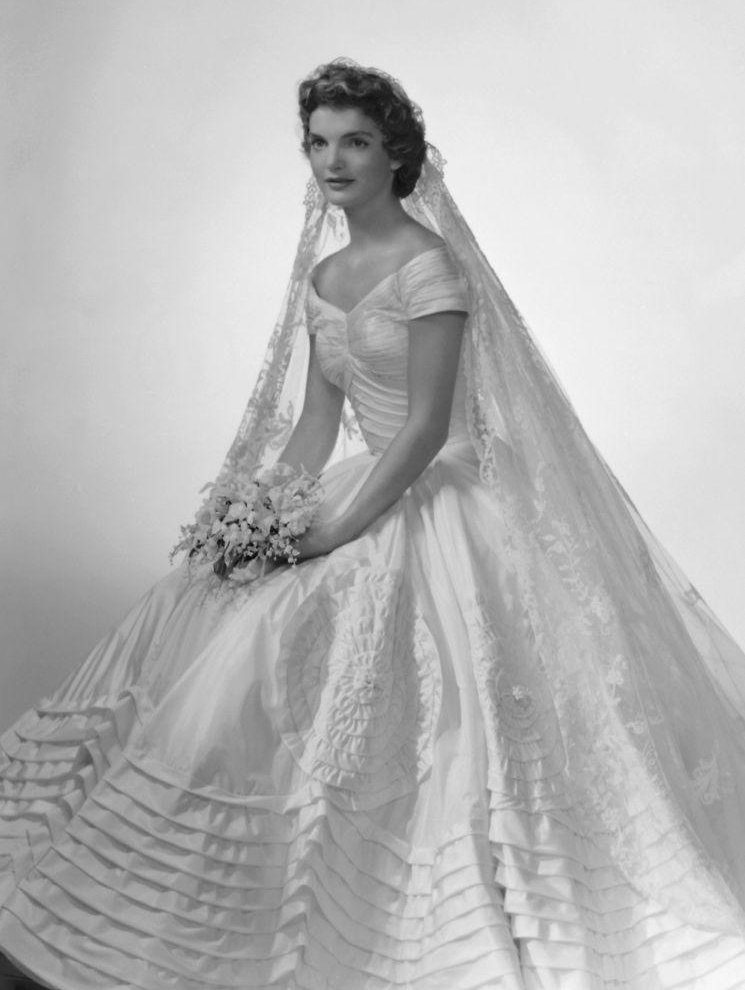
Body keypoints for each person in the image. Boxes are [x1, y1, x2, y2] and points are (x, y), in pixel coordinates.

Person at [1, 59, 745, 990]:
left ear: (397, 155)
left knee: (416, 682)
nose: (331, 160)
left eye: (354, 141)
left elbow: (428, 427)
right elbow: (316, 423)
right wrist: (263, 514)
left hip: (436, 488)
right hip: (359, 478)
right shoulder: (325, 271)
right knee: (221, 618)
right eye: (317, 142)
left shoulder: (428, 265)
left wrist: (336, 530)